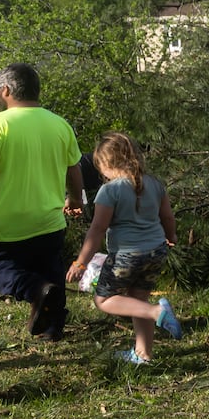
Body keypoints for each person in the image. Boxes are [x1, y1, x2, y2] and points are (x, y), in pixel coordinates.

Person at [0, 63, 84, 341]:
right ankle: (54, 327)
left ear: (6, 90)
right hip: (49, 221)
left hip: (4, 225)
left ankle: (34, 290)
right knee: (50, 269)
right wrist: (75, 198)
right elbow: (74, 169)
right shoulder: (59, 124)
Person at [65, 132, 183, 364]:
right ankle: (144, 354)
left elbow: (97, 230)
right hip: (156, 252)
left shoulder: (109, 191)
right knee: (138, 299)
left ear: (108, 164)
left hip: (127, 255)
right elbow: (167, 217)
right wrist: (171, 237)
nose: (102, 175)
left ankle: (157, 313)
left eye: (101, 168)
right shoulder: (155, 184)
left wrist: (81, 262)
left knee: (104, 300)